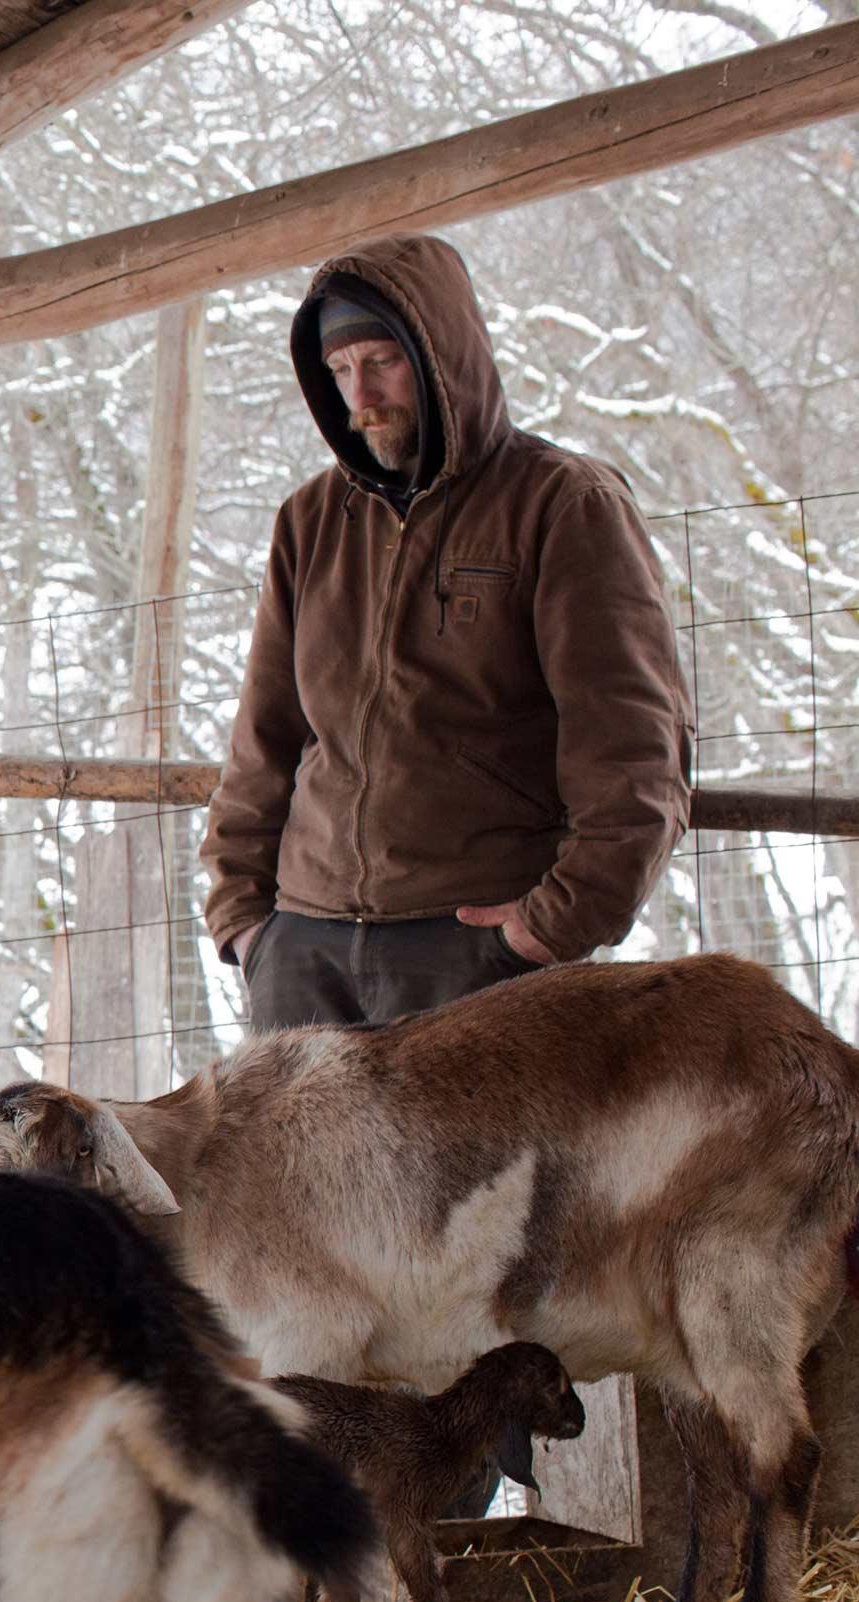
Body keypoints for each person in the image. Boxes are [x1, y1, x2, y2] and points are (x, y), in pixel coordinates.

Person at [201, 233, 690, 1030]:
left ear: (441, 354)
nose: (361, 395)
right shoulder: (312, 520)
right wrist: (244, 919)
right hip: (303, 951)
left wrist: (553, 926)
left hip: (476, 949)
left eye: (383, 360)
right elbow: (264, 736)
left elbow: (635, 745)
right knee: (289, 1164)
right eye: (339, 369)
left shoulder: (562, 504)